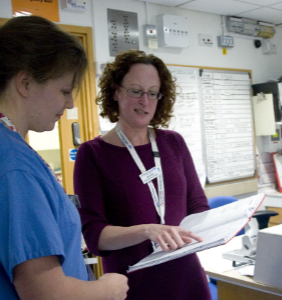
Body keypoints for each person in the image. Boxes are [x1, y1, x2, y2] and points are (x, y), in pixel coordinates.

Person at [0, 16, 128, 300]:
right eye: (64, 90)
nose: (70, 103)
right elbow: (45, 293)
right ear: (24, 83)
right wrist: (107, 289)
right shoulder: (9, 162)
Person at [74, 49, 212, 300]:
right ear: (115, 91)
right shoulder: (92, 154)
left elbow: (197, 205)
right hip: (132, 283)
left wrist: (221, 223)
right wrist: (147, 230)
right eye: (136, 91)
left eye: (152, 93)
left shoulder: (173, 143)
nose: (145, 101)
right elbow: (95, 237)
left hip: (186, 276)